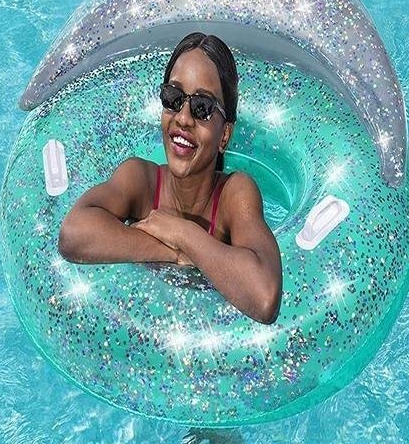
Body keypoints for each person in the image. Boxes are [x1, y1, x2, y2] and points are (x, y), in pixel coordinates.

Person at [57, 32, 282, 325]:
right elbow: (73, 234)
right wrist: (172, 252)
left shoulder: (234, 194)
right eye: (173, 98)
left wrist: (181, 233)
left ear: (224, 135)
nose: (183, 118)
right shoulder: (141, 180)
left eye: (202, 107)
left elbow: (264, 298)